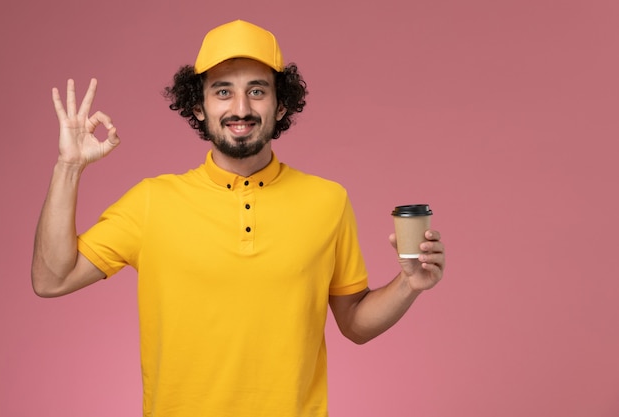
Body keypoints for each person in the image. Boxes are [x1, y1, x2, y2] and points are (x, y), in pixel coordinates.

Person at [32, 19, 445, 417]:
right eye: (223, 91)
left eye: (258, 91)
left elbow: (354, 323)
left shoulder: (328, 200)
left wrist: (409, 284)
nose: (241, 108)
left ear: (281, 105)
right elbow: (52, 279)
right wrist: (68, 166)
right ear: (199, 105)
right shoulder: (151, 201)